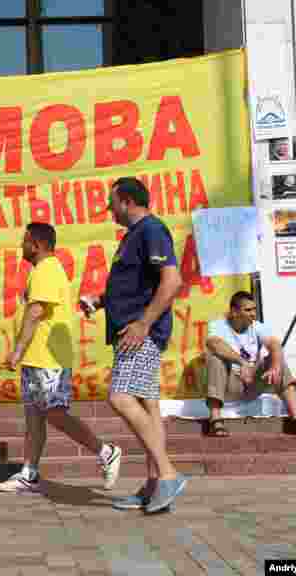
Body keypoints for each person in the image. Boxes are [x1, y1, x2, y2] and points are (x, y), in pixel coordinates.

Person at [79, 177, 186, 514]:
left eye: (112, 203)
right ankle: (155, 486)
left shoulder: (152, 230)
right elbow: (137, 285)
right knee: (147, 404)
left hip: (140, 334)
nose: (109, 210)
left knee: (121, 397)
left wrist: (143, 324)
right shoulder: (134, 236)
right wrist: (100, 301)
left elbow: (172, 281)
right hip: (133, 330)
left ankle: (168, 474)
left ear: (126, 201)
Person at [0, 222, 123, 493]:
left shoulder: (47, 269)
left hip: (48, 357)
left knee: (54, 413)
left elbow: (36, 312)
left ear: (37, 245)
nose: (21, 245)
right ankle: (29, 473)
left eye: (25, 241)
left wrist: (18, 350)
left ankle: (106, 452)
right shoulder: (42, 270)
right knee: (34, 415)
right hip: (37, 357)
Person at [204, 291, 296, 436]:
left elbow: (274, 344)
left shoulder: (257, 326)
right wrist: (243, 363)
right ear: (234, 312)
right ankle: (215, 420)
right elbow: (214, 344)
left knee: (278, 360)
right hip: (230, 385)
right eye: (248, 310)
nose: (253, 314)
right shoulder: (218, 325)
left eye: (254, 309)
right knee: (215, 359)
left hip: (253, 383)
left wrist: (275, 367)